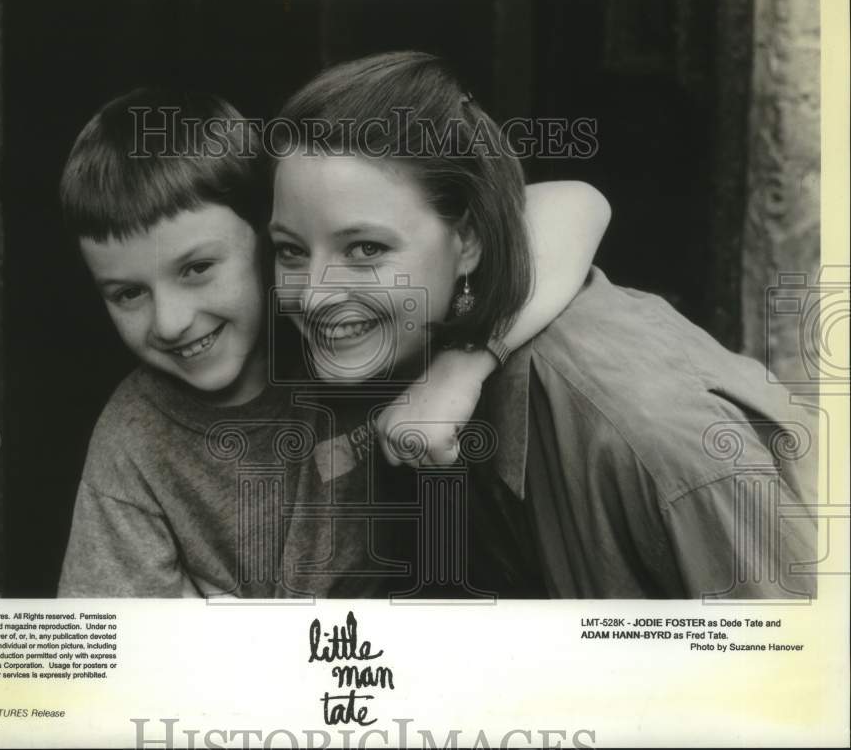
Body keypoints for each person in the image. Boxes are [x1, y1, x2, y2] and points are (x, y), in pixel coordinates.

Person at [269, 50, 817, 599]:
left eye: (366, 248)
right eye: (289, 250)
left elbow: (798, 664)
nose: (314, 294)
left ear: (471, 242)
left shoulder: (648, 437)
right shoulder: (403, 344)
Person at [55, 86, 610, 597]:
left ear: (272, 236)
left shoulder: (341, 334)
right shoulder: (135, 438)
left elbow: (575, 203)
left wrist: (461, 369)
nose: (171, 321)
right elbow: (116, 655)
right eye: (127, 293)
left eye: (197, 268)